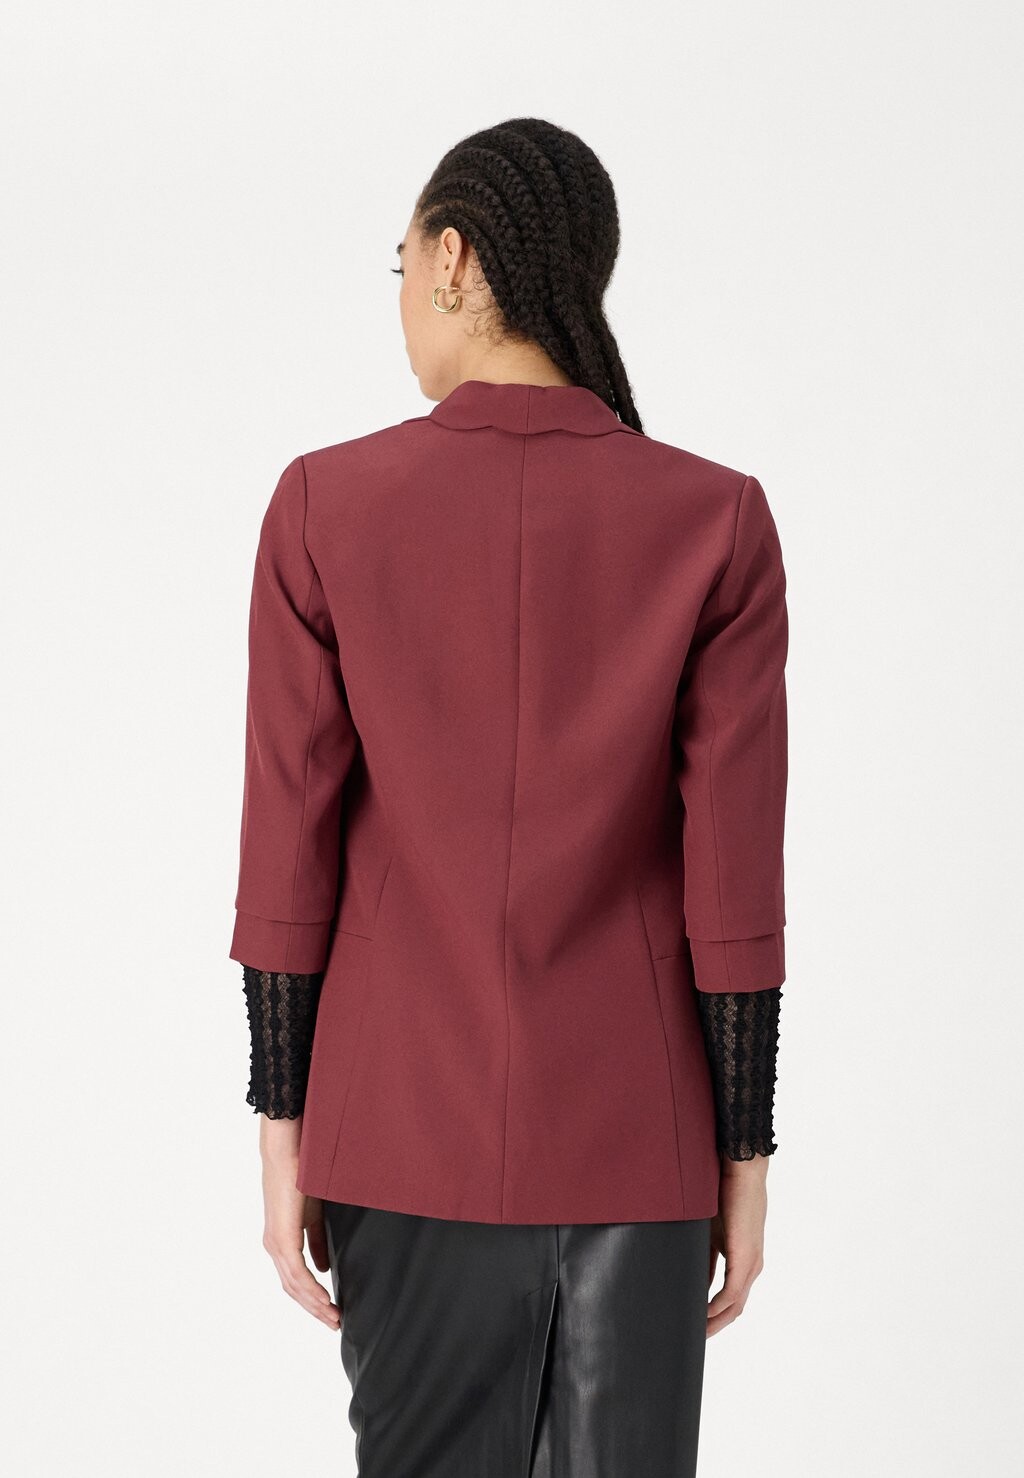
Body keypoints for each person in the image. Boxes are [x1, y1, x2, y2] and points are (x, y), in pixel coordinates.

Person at [229, 116, 788, 1477]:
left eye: (401, 264)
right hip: (638, 1147)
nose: (401, 302)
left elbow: (288, 861)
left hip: (396, 1136)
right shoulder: (713, 519)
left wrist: (281, 1126)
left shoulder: (322, 508)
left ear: (453, 258)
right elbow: (734, 889)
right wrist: (744, 1151)